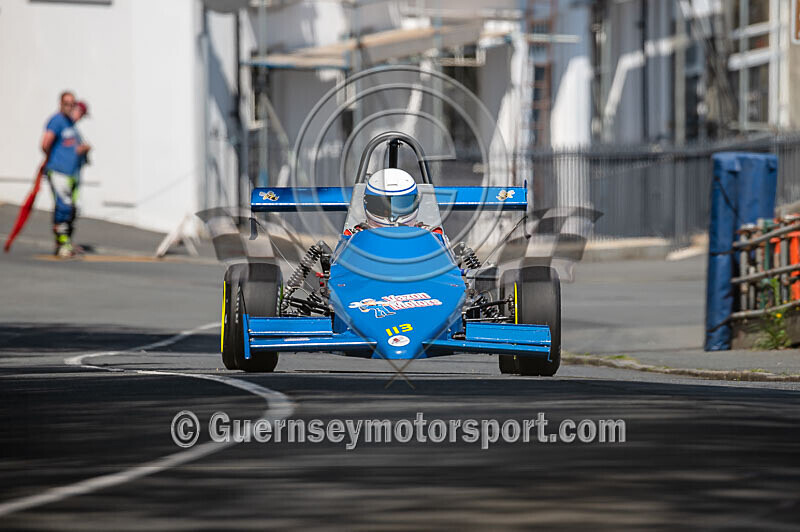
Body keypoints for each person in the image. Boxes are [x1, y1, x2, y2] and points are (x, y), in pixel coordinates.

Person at [40, 91, 91, 257]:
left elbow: (69, 146)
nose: (70, 107)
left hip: (71, 173)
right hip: (59, 171)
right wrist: (53, 159)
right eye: (67, 103)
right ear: (61, 104)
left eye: (72, 104)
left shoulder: (70, 124)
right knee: (63, 207)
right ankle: (62, 245)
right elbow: (45, 143)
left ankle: (65, 243)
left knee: (71, 209)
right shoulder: (57, 121)